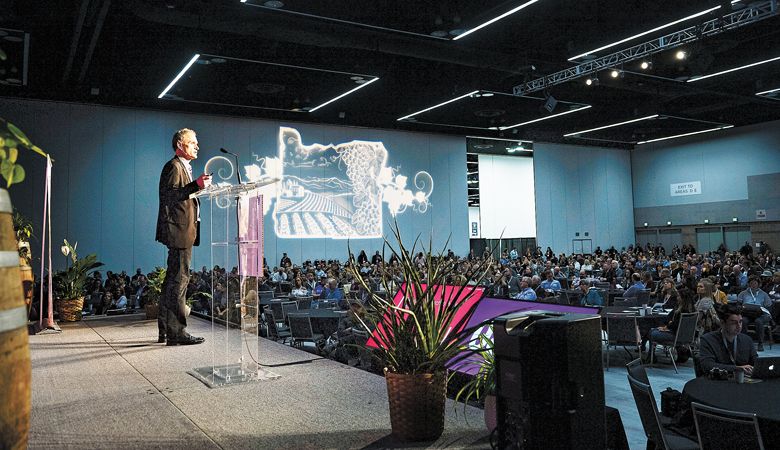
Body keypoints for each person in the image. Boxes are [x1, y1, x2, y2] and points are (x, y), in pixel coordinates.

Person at [156, 128, 211, 346]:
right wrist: (195, 185)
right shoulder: (174, 166)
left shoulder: (181, 167)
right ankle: (177, 332)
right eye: (193, 142)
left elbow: (181, 196)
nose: (197, 146)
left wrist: (197, 189)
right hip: (178, 232)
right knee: (178, 283)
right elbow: (170, 196)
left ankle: (166, 330)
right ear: (181, 144)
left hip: (182, 232)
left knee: (173, 282)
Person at [697, 303, 757, 376]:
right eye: (734, 323)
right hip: (717, 382)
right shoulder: (708, 340)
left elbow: (756, 363)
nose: (739, 326)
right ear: (722, 323)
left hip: (742, 383)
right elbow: (707, 366)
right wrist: (737, 369)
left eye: (740, 322)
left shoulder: (747, 340)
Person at [737, 276, 772, 351]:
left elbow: (768, 306)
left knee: (758, 321)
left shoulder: (764, 294)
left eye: (755, 283)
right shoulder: (743, 293)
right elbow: (738, 305)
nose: (753, 284)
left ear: (759, 284)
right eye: (751, 283)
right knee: (743, 321)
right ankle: (743, 342)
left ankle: (760, 343)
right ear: (749, 284)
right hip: (747, 313)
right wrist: (742, 308)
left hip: (760, 314)